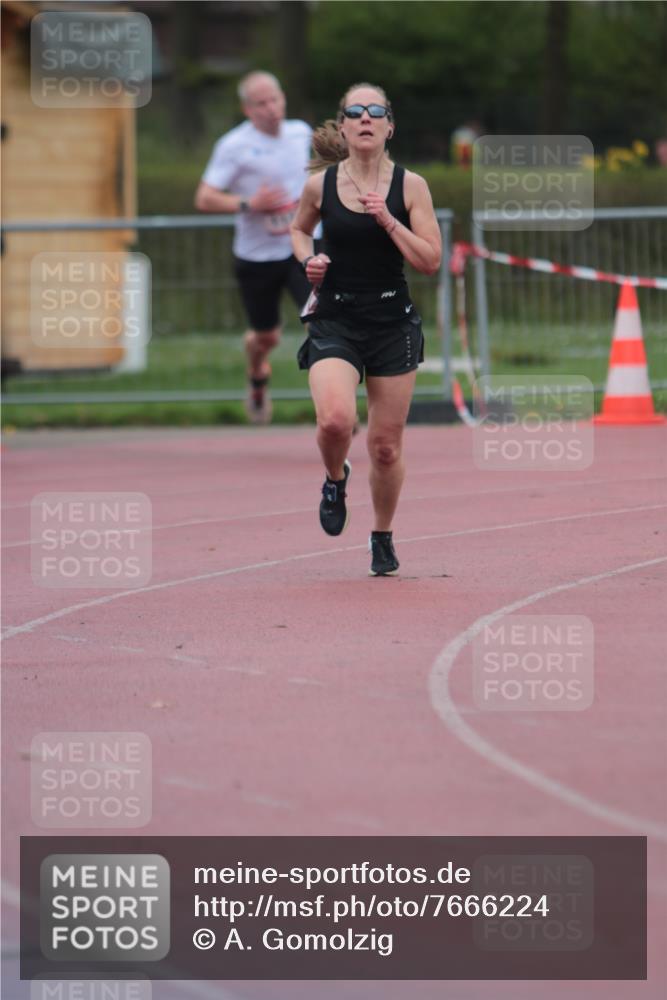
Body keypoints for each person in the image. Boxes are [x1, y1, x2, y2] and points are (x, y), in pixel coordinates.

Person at [291, 82, 441, 576]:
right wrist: (310, 259)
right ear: (345, 125)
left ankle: (382, 535)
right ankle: (335, 478)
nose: (365, 118)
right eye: (354, 112)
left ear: (389, 126)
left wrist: (389, 223)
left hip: (390, 321)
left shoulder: (410, 186)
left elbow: (431, 260)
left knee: (385, 445)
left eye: (375, 111)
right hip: (335, 317)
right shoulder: (322, 186)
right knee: (335, 420)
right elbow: (298, 229)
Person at [195, 71, 312, 424]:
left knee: (321, 322)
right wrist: (250, 203)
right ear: (247, 109)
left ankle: (333, 405)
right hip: (256, 255)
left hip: (300, 246)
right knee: (267, 336)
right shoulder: (233, 146)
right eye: (261, 104)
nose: (271, 109)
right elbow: (204, 198)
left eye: (275, 99)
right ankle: (256, 373)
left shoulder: (301, 133)